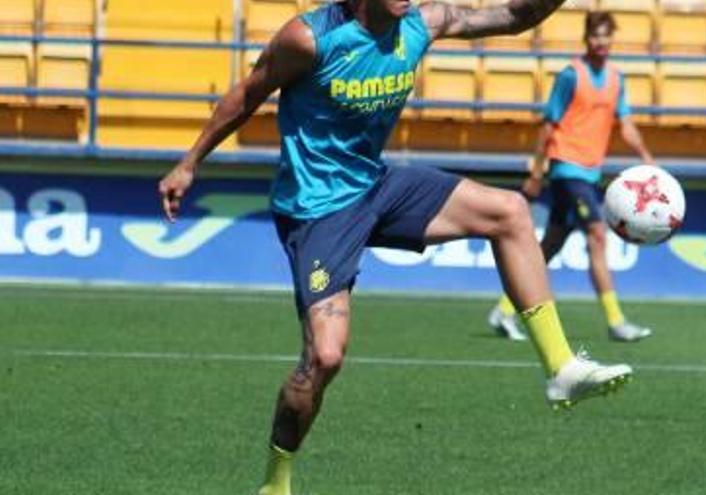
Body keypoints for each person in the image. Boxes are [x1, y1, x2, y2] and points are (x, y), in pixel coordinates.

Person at [158, 1, 633, 493]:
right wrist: (189, 162)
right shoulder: (309, 38)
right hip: (317, 208)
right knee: (325, 358)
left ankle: (562, 369)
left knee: (509, 212)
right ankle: (275, 482)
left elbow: (515, 15)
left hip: (376, 186)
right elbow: (247, 92)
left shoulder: (421, 23)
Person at [488, 10, 656, 344]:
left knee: (549, 245)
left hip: (590, 172)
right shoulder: (570, 75)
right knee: (597, 233)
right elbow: (548, 125)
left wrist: (648, 161)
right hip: (566, 168)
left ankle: (504, 310)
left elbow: (627, 125)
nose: (601, 42)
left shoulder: (616, 79)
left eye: (607, 36)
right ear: (586, 38)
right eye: (596, 36)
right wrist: (537, 172)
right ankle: (616, 321)